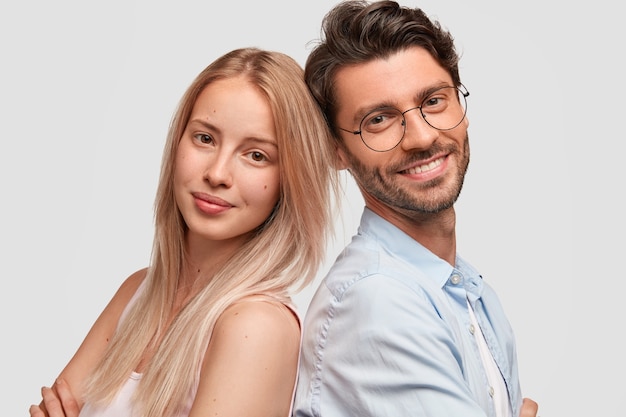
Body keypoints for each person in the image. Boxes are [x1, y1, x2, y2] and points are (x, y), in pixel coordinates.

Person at [29, 47, 339, 417]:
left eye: (256, 155)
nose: (217, 173)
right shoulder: (137, 292)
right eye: (205, 138)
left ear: (290, 179)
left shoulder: (257, 326)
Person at [293, 2, 539, 417]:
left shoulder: (469, 290)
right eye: (379, 119)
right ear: (336, 150)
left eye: (434, 100)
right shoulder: (376, 301)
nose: (422, 137)